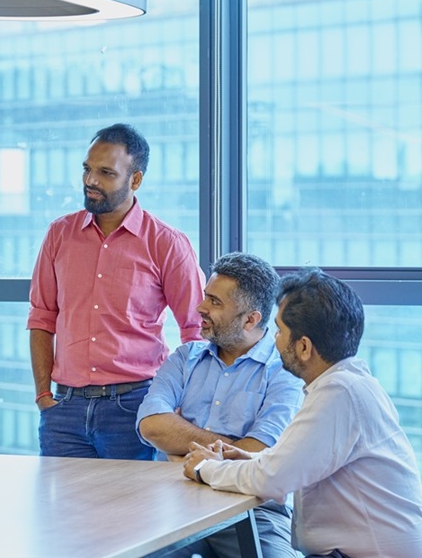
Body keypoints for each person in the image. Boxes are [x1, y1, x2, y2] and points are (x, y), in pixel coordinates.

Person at [183, 268, 422, 558]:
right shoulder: (349, 384)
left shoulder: (338, 393)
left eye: (280, 331)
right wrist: (252, 458)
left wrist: (204, 468)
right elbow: (297, 463)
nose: (274, 340)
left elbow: (272, 480)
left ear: (304, 347)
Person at [28, 122, 206, 460]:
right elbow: (41, 318)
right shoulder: (59, 234)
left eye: (106, 173)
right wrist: (43, 396)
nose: (91, 180)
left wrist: (182, 404)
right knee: (61, 498)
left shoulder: (166, 243)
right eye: (87, 169)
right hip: (64, 410)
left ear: (135, 180)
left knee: (134, 498)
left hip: (135, 408)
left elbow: (195, 331)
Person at [137, 252, 303, 558]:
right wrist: (230, 451)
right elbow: (152, 425)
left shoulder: (285, 371)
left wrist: (189, 451)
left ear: (251, 319)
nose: (200, 308)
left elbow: (260, 454)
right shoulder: (184, 358)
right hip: (175, 503)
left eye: (214, 302)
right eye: (205, 296)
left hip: (255, 510)